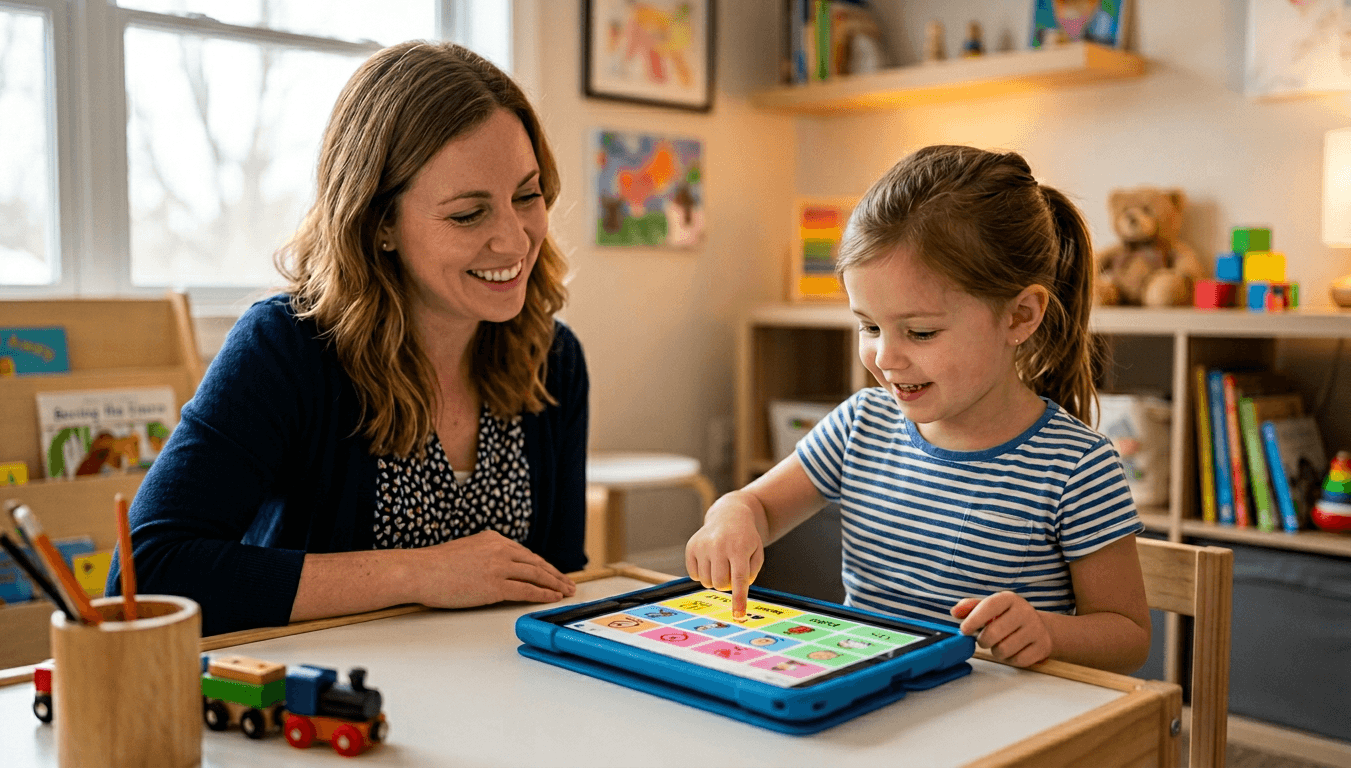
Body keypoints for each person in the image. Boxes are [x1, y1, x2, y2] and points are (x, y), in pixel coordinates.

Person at [106, 41, 587, 636]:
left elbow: (560, 582)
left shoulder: (554, 357)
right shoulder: (285, 348)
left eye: (527, 195)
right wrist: (417, 575)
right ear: (380, 223)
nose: (515, 240)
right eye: (468, 214)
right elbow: (147, 573)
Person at [687, 145, 1150, 674]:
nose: (884, 357)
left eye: (921, 332)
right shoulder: (860, 424)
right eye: (869, 326)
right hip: (868, 699)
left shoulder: (1076, 466)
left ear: (1020, 316)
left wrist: (1048, 631)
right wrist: (731, 518)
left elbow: (1127, 635)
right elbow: (758, 507)